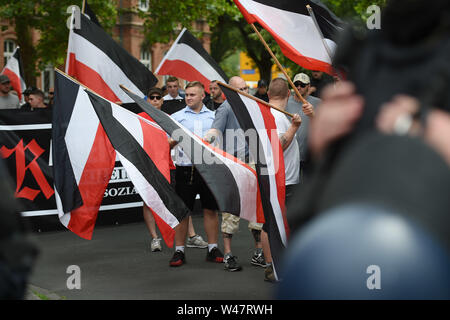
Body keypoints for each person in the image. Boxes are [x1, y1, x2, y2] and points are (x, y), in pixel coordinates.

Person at [204, 76, 267, 272]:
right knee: (231, 210)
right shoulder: (226, 108)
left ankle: (259, 252)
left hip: (253, 163)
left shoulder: (253, 106)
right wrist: (206, 139)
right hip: (234, 165)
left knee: (257, 210)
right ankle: (229, 254)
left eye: (246, 89)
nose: (245, 92)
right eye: (241, 89)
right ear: (230, 91)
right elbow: (215, 129)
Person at [139, 87, 208, 252]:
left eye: (158, 97)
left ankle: (191, 236)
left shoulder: (170, 119)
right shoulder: (138, 118)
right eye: (152, 97)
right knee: (149, 202)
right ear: (147, 100)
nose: (155, 100)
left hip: (167, 165)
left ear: (163, 101)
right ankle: (155, 238)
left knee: (179, 202)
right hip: (146, 166)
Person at [169, 81, 224, 267]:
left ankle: (213, 248)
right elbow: (167, 144)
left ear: (203, 96)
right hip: (186, 169)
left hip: (210, 168)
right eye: (187, 95)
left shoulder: (215, 117)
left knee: (210, 209)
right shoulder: (176, 117)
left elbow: (221, 144)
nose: (188, 98)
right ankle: (179, 251)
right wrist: (177, 139)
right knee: (183, 212)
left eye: (193, 95)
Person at [260, 77, 301, 282]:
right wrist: (294, 128)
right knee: (275, 224)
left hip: (280, 178)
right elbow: (277, 146)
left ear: (268, 94)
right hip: (281, 179)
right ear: (288, 95)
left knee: (273, 223)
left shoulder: (270, 114)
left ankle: (273, 265)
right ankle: (273, 267)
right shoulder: (276, 116)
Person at [285, 73, 320, 182]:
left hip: (310, 155)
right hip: (290, 154)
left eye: (302, 85)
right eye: (296, 84)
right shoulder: (285, 102)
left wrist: (313, 115)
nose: (299, 87)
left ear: (309, 86)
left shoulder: (318, 103)